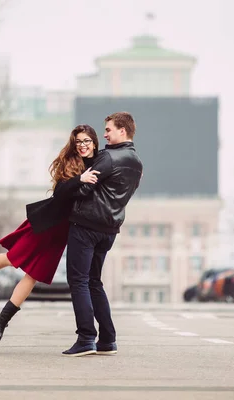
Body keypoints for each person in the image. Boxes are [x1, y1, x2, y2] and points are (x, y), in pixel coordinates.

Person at [0, 124, 100, 341]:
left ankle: (2, 321)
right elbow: (60, 192)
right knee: (12, 258)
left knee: (33, 275)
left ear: (94, 143)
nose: (82, 146)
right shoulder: (71, 163)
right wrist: (80, 179)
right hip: (46, 223)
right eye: (78, 141)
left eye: (86, 141)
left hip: (62, 233)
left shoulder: (100, 163)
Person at [62, 112, 143, 357]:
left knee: (79, 281)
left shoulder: (108, 157)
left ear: (122, 131)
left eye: (108, 129)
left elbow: (84, 190)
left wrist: (71, 189)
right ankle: (107, 340)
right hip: (109, 230)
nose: (104, 134)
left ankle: (86, 337)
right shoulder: (136, 161)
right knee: (94, 282)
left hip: (86, 226)